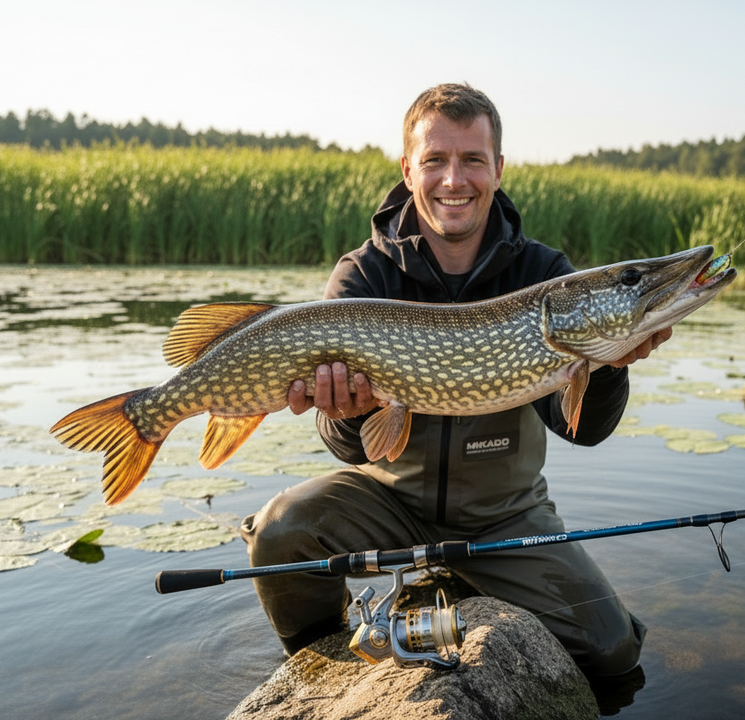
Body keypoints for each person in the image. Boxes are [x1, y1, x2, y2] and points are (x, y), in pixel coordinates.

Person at [240, 83, 670, 680]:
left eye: (472, 160)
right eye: (436, 160)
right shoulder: (363, 274)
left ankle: (458, 589)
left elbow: (585, 431)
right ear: (409, 169)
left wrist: (609, 365)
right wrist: (346, 410)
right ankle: (325, 666)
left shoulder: (544, 275)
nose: (453, 179)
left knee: (613, 653)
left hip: (505, 513)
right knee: (280, 534)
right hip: (388, 499)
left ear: (498, 168)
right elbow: (346, 444)